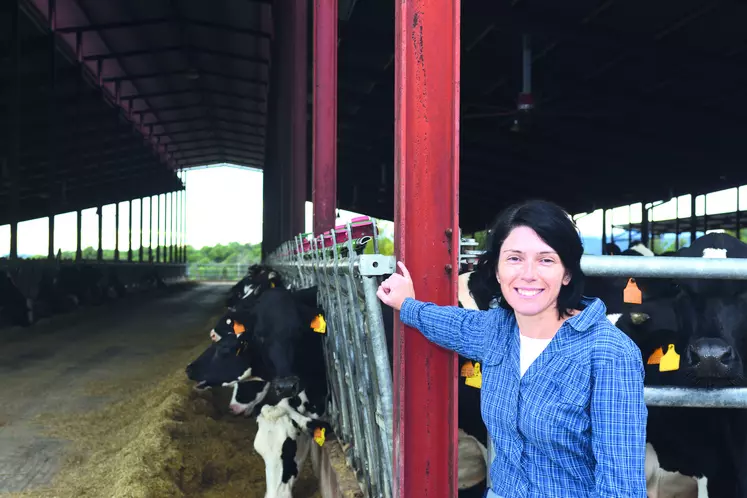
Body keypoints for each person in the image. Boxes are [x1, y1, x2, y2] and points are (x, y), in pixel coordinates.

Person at [377, 199, 647, 498]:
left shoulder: (609, 353)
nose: (528, 274)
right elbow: (453, 323)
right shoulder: (497, 330)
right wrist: (406, 304)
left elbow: (621, 487)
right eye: (514, 258)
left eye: (546, 259)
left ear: (567, 273)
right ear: (496, 270)